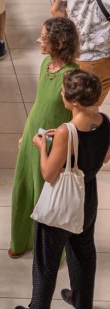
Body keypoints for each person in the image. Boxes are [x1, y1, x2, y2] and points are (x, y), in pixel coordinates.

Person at [19, 70, 110, 309]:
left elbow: (49, 174)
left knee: (45, 263)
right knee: (83, 253)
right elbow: (105, 157)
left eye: (63, 92)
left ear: (73, 102)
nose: (61, 94)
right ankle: (81, 302)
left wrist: (42, 147)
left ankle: (38, 307)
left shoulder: (65, 132)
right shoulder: (105, 122)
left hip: (62, 202)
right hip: (87, 196)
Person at [9, 17, 80, 259]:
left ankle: (47, 252)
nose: (39, 40)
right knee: (24, 186)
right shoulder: (45, 65)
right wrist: (25, 133)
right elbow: (40, 104)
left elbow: (76, 117)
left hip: (53, 142)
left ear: (59, 42)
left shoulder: (72, 76)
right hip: (34, 134)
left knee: (45, 196)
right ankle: (20, 240)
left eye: (43, 37)